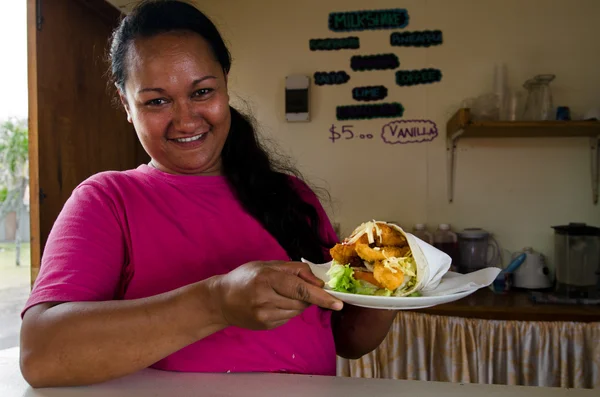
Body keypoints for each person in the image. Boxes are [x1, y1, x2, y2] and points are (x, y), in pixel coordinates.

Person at [19, 0, 399, 388]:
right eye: (157, 101)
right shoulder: (107, 201)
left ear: (225, 82)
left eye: (202, 92)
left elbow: (346, 338)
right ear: (126, 105)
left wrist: (393, 286)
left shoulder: (290, 196)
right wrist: (216, 303)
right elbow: (42, 355)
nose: (185, 119)